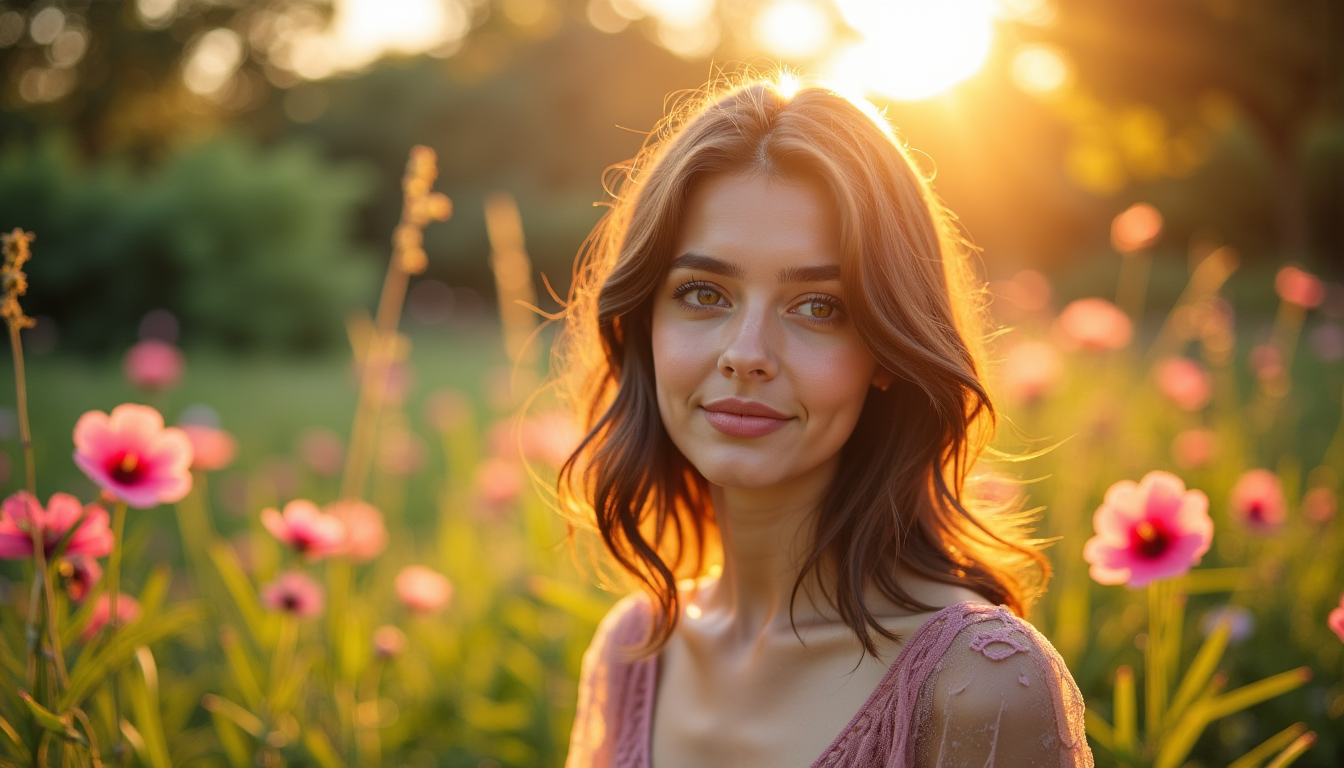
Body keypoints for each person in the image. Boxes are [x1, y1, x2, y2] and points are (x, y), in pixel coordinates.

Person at [551, 75, 1093, 767]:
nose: (747, 354)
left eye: (819, 306)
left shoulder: (977, 684)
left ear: (887, 351)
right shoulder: (633, 653)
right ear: (644, 323)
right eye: (704, 293)